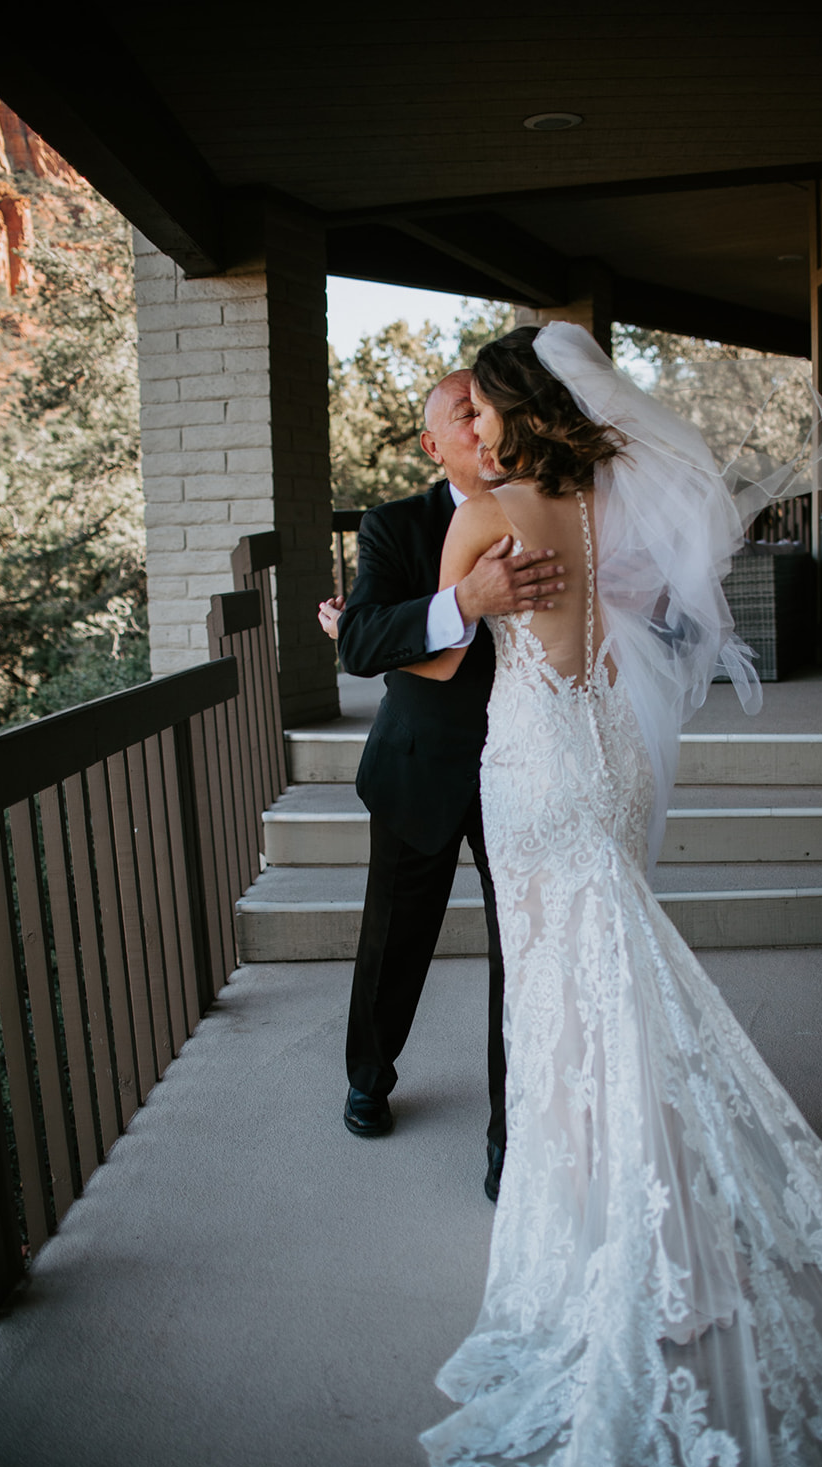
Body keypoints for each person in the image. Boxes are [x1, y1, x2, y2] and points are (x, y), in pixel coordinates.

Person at [412, 324, 822, 1467]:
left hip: (531, 771)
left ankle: (598, 1219)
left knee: (558, 997)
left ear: (504, 414)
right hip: (606, 754)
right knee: (609, 979)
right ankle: (640, 1189)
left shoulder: (486, 516)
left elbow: (438, 654)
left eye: (474, 408)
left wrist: (433, 603)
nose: (462, 432)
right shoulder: (586, 495)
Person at [318, 371, 565, 1201]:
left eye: (491, 410)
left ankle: (512, 1137)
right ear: (434, 445)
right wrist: (463, 600)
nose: (486, 425)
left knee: (522, 961)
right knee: (394, 940)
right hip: (420, 762)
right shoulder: (394, 525)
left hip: (529, 767)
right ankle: (369, 1073)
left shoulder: (551, 510)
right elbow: (359, 642)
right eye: (467, 416)